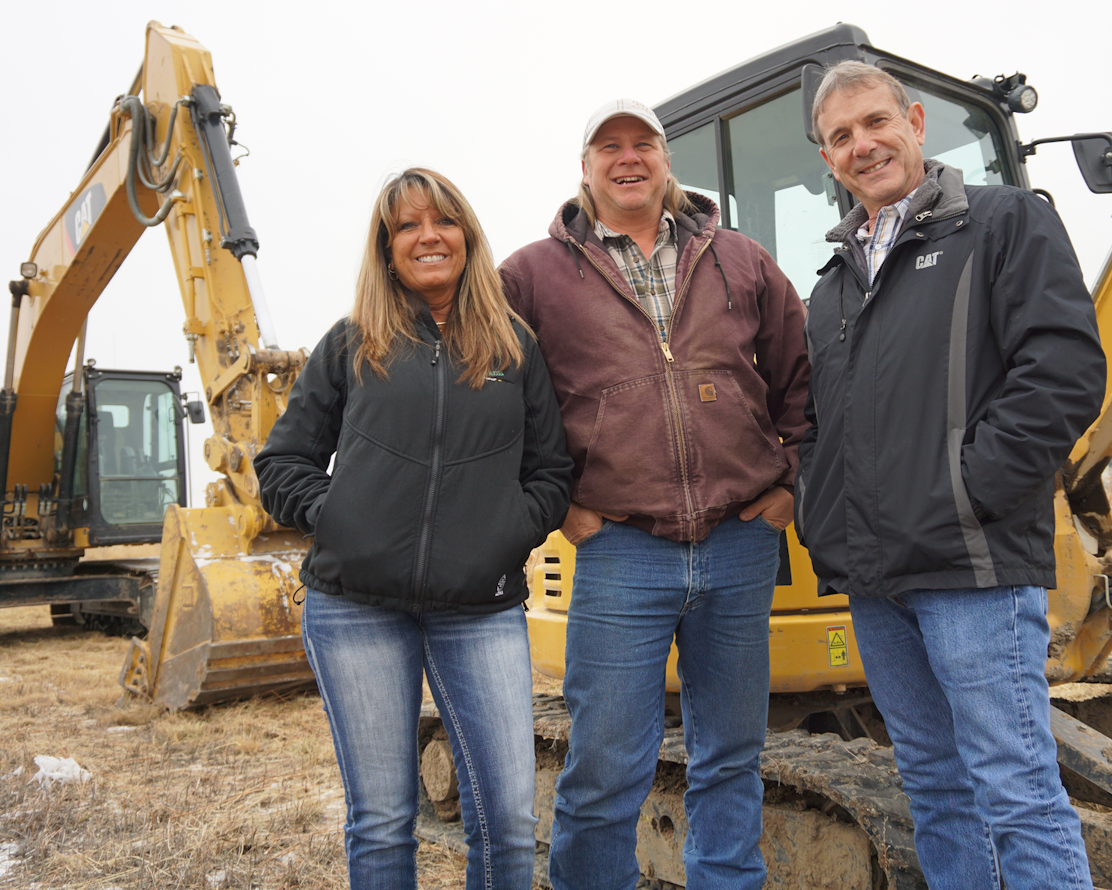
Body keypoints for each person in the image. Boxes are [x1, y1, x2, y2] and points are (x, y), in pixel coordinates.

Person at [796, 61, 1105, 890]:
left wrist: (971, 490)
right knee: (935, 789)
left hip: (972, 569)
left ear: (917, 122)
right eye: (841, 137)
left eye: (875, 123)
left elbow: (1064, 371)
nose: (863, 146)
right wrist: (825, 521)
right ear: (827, 161)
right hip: (877, 581)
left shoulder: (1004, 224)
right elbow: (818, 429)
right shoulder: (830, 293)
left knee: (1018, 793)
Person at [500, 100, 810, 890]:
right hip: (620, 549)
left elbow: (800, 377)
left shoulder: (739, 259)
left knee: (732, 757)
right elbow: (498, 399)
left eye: (644, 144)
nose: (628, 157)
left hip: (741, 544)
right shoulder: (531, 275)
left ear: (667, 162)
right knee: (606, 767)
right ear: (585, 167)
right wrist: (560, 506)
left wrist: (791, 484)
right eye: (610, 146)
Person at [254, 168, 573, 890]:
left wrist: (501, 534)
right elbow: (281, 464)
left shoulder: (513, 348)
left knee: (509, 824)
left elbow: (552, 473)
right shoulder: (351, 343)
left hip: (479, 609)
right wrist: (342, 516)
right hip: (355, 608)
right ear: (387, 247)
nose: (428, 235)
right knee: (382, 821)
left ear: (467, 235)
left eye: (443, 220)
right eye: (407, 225)